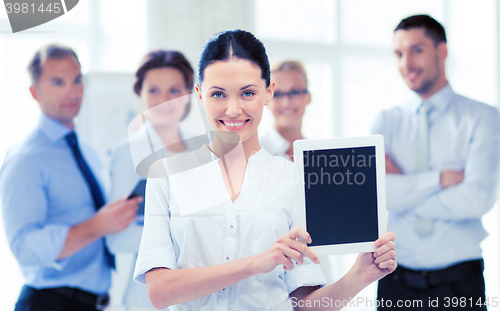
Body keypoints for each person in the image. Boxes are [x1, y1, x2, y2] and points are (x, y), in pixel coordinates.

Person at [133, 29, 397, 311]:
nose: (233, 109)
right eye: (218, 94)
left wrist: (359, 276)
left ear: (268, 92)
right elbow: (159, 291)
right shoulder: (167, 177)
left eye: (248, 93)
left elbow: (304, 305)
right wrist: (254, 264)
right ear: (199, 94)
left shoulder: (295, 180)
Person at [371, 15, 500, 310]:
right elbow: (372, 197)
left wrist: (401, 190)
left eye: (417, 50)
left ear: (442, 52)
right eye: (399, 54)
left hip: (460, 282)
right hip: (394, 280)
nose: (406, 63)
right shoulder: (386, 121)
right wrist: (438, 180)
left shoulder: (483, 117)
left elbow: (477, 199)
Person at [0, 44, 141, 311]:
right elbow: (23, 247)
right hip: (50, 303)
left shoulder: (86, 151)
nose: (72, 91)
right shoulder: (26, 158)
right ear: (35, 92)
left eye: (77, 80)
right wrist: (96, 226)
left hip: (91, 304)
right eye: (58, 82)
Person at [106, 50, 197, 310]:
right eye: (154, 91)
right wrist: (183, 235)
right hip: (149, 297)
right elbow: (116, 238)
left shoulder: (205, 149)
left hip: (199, 289)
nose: (163, 101)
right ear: (140, 94)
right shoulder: (129, 153)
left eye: (174, 90)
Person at [259, 60, 311, 161]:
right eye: (277, 94)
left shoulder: (319, 152)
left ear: (308, 97)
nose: (286, 102)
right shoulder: (252, 155)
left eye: (295, 92)